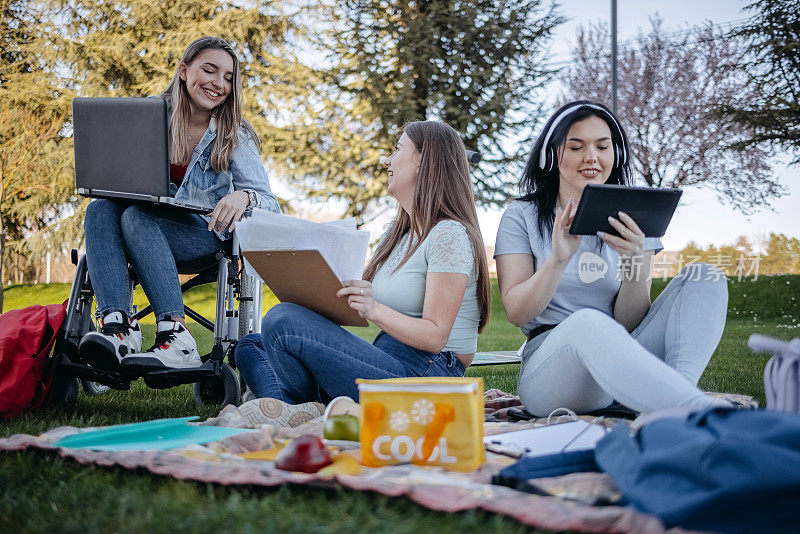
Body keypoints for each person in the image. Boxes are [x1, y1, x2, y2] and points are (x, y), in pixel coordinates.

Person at [494, 100, 731, 417]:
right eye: (576, 147)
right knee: (589, 322)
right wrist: (557, 261)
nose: (591, 157)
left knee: (706, 276)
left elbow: (629, 323)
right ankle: (698, 411)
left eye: (602, 147)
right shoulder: (521, 215)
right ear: (552, 155)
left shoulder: (636, 216)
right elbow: (516, 312)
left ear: (615, 154)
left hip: (622, 357)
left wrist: (634, 260)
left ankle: (676, 404)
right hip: (553, 375)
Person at [235, 120, 491, 403]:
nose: (387, 160)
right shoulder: (398, 234)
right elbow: (354, 307)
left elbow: (435, 337)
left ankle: (293, 406)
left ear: (421, 159)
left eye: (397, 149)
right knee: (252, 345)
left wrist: (373, 309)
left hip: (427, 376)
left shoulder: (448, 234)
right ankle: (302, 407)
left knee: (282, 321)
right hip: (387, 359)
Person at [79, 36, 279, 372]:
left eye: (228, 77)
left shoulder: (234, 134)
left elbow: (271, 204)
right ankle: (118, 329)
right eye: (210, 70)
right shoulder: (146, 119)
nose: (219, 83)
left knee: (137, 217)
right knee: (101, 208)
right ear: (184, 71)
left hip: (202, 236)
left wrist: (244, 196)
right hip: (137, 229)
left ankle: (176, 336)